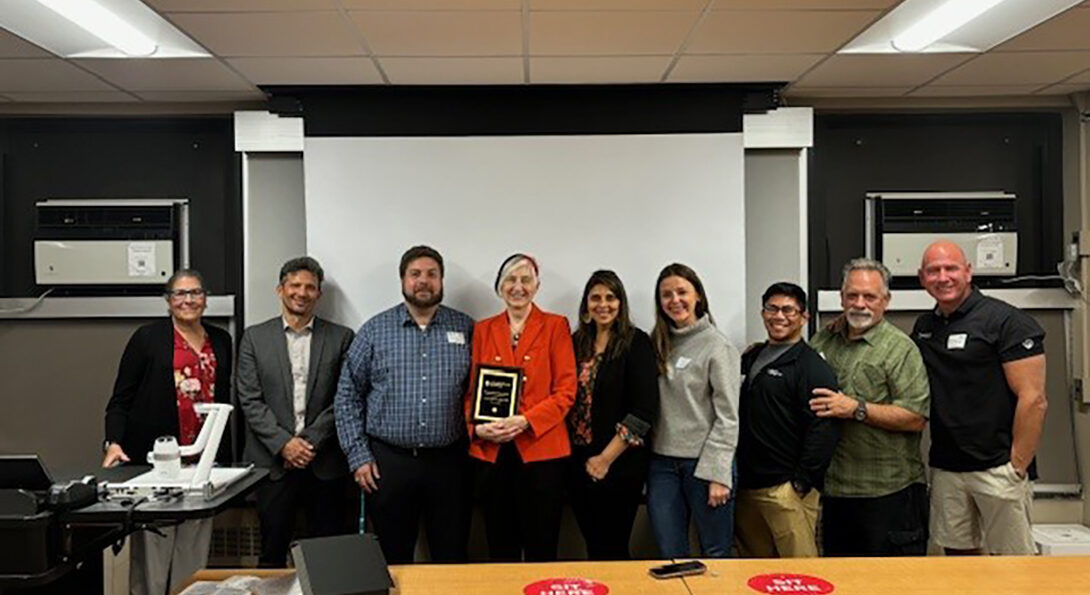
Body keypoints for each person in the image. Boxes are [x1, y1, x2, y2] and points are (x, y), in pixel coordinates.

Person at [335, 245, 475, 564]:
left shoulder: (466, 328)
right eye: (415, 274)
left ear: (441, 281)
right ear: (402, 280)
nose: (423, 281)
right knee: (392, 556)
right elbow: (347, 396)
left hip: (450, 463)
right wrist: (358, 456)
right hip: (388, 463)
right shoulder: (374, 331)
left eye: (431, 274)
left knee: (451, 554)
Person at [102, 269, 232, 595]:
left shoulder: (221, 339)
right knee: (153, 556)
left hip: (205, 464)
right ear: (168, 301)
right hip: (158, 462)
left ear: (206, 298)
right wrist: (113, 442)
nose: (188, 300)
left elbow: (226, 399)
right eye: (180, 294)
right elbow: (121, 399)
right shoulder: (147, 338)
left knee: (194, 550)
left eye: (196, 293)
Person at [914, 240, 1047, 555]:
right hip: (947, 468)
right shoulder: (925, 326)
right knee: (959, 562)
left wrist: (1016, 466)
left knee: (1013, 567)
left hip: (997, 467)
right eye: (933, 271)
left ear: (968, 272)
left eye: (951, 268)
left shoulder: (1007, 321)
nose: (943, 277)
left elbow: (1034, 399)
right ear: (922, 278)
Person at [236, 257, 355, 567]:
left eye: (310, 287)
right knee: (272, 555)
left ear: (319, 294)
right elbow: (250, 399)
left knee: (327, 560)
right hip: (273, 464)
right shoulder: (254, 338)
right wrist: (284, 444)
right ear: (281, 290)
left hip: (324, 463)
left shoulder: (341, 337)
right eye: (295, 285)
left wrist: (308, 442)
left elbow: (344, 398)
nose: (301, 293)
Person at [809, 258, 931, 556]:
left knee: (892, 586)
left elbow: (915, 417)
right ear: (841, 297)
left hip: (889, 492)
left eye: (870, 297)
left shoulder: (900, 349)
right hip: (835, 491)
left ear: (885, 301)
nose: (859, 304)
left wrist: (855, 408)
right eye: (852, 295)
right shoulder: (825, 340)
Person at [466, 253, 577, 562]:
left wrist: (527, 420)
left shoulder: (556, 326)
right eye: (510, 280)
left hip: (541, 451)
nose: (518, 287)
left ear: (537, 286)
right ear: (500, 288)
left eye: (525, 280)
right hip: (494, 451)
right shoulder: (483, 330)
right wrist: (477, 427)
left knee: (542, 545)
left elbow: (566, 390)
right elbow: (472, 391)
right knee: (500, 545)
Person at [735, 282, 841, 558]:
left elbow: (824, 430)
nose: (779, 316)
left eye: (788, 310)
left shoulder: (813, 367)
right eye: (772, 308)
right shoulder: (751, 357)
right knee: (753, 574)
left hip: (786, 490)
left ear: (804, 317)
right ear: (762, 312)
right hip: (746, 487)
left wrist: (802, 482)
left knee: (800, 575)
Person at [647, 263, 740, 558]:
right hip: (662, 466)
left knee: (716, 553)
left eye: (682, 292)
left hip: (704, 465)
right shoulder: (657, 343)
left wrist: (718, 474)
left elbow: (728, 416)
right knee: (670, 554)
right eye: (666, 295)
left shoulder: (717, 346)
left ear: (698, 295)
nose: (675, 300)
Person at [566, 270, 659, 560]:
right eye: (595, 298)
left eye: (610, 297)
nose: (603, 304)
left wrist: (605, 459)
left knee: (613, 546)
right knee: (593, 544)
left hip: (619, 462)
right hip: (578, 460)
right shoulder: (575, 342)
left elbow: (644, 410)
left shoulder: (636, 342)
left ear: (621, 303)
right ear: (586, 306)